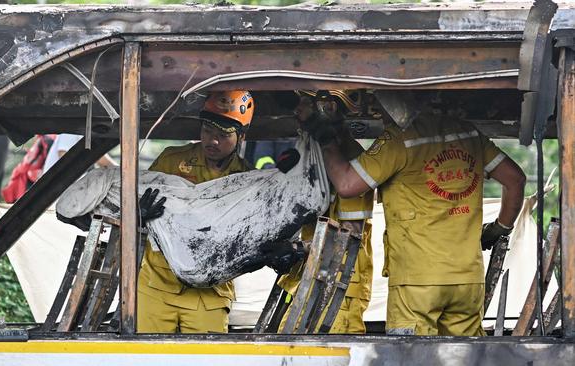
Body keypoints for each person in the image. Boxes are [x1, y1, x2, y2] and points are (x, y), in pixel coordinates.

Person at [310, 92, 526, 336]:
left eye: (379, 108)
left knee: (411, 355)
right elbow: (515, 180)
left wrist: (326, 139)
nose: (378, 114)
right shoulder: (468, 133)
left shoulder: (400, 140)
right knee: (465, 357)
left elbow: (347, 185)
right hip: (468, 279)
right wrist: (500, 228)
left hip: (417, 283)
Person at [136, 90, 255, 333]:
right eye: (207, 131)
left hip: (210, 293)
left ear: (241, 136)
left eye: (223, 135)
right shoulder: (170, 161)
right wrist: (140, 213)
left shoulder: (247, 180)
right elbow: (134, 206)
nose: (212, 141)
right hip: (157, 284)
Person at [278, 90, 374, 334]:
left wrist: (298, 249)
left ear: (329, 108)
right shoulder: (312, 155)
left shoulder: (350, 159)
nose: (298, 112)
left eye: (307, 106)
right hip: (311, 278)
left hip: (339, 284)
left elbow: (349, 235)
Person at [42, 133, 117, 174]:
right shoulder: (72, 130)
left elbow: (102, 160)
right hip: (56, 194)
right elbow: (63, 156)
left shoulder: (88, 135)